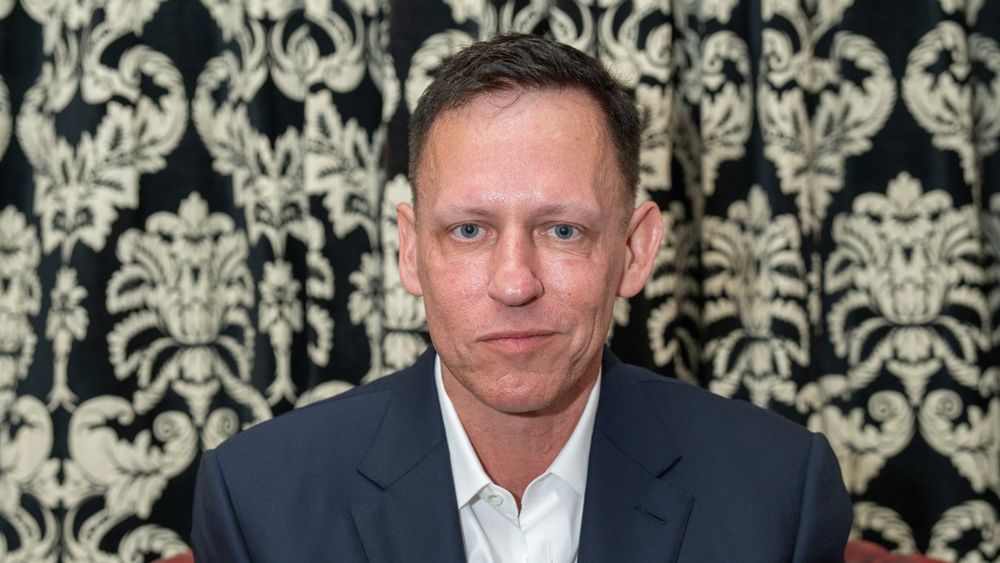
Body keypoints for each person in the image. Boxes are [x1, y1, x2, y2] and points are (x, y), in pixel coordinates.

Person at [191, 33, 852, 562]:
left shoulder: (778, 494)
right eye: (469, 230)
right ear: (409, 250)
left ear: (634, 250)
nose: (514, 284)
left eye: (562, 230)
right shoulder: (256, 502)